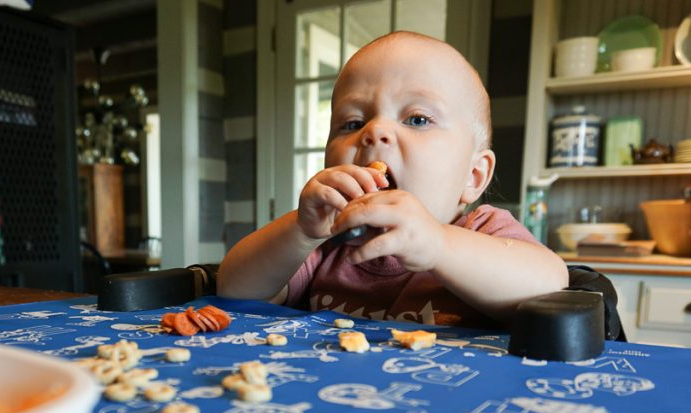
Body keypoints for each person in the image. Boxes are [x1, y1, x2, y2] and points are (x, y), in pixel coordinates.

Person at [217, 31, 569, 327]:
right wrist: (301, 230)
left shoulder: (483, 231)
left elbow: (550, 285)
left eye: (417, 119)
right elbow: (234, 290)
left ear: (473, 176)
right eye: (352, 123)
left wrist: (437, 246)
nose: (375, 131)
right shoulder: (324, 241)